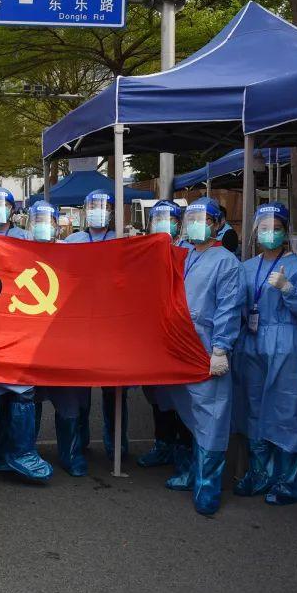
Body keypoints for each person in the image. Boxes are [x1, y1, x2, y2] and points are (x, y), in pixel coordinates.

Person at [162, 197, 244, 515]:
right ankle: (193, 473)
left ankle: (207, 486)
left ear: (217, 223)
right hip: (182, 344)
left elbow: (228, 308)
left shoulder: (225, 262)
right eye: (191, 219)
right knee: (191, 412)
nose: (195, 224)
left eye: (203, 219)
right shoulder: (186, 254)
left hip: (208, 346)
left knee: (212, 416)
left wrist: (221, 348)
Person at [233, 202, 297, 505]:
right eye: (265, 228)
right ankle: (261, 473)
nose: (270, 233)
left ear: (285, 232)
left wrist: (287, 289)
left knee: (285, 407)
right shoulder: (246, 267)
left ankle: (289, 480)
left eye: (277, 228)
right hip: (252, 340)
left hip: (284, 340)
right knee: (254, 405)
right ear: (256, 231)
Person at [0, 195, 53, 482]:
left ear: (12, 210)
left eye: (4, 205)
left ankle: (3, 452)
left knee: (21, 388)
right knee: (6, 390)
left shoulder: (23, 238)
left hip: (17, 321)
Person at [24, 201, 91, 477]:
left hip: (63, 343)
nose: (43, 226)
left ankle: (71, 454)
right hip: (30, 342)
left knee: (69, 400)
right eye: (37, 221)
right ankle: (27, 451)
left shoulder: (70, 253)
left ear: (57, 226)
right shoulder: (19, 252)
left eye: (48, 221)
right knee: (28, 400)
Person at [64, 190, 126, 463]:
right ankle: (79, 443)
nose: (97, 211)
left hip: (112, 326)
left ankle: (117, 445)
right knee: (79, 389)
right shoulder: (72, 241)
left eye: (102, 207)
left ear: (111, 212)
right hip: (80, 324)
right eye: (92, 206)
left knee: (115, 391)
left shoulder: (120, 240)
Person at [137, 199, 194, 469]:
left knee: (181, 394)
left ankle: (184, 451)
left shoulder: (189, 253)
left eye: (169, 219)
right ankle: (163, 444)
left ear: (178, 223)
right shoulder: (144, 250)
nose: (163, 224)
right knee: (157, 394)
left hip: (180, 331)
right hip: (152, 332)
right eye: (158, 219)